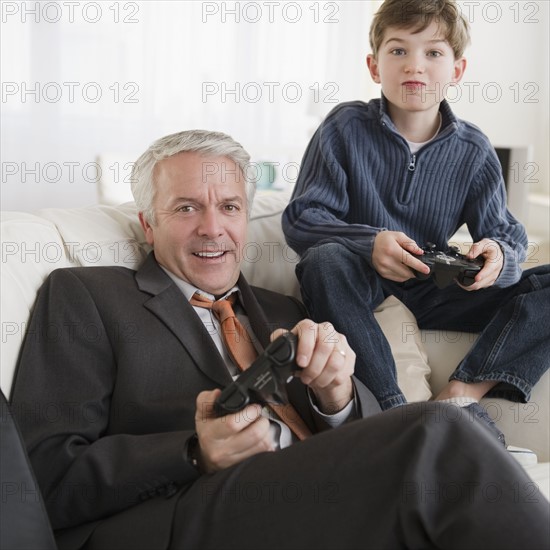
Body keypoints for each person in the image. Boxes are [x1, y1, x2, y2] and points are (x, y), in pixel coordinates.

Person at [9, 129, 549, 550]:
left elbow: (359, 442)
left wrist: (336, 401)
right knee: (443, 430)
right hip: (176, 517)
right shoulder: (86, 295)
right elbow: (44, 477)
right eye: (186, 207)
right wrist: (193, 453)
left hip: (318, 505)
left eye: (229, 207)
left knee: (451, 463)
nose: (212, 228)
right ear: (148, 225)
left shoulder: (284, 310)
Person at [282, 0, 550, 417]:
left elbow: (507, 234)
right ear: (374, 66)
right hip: (355, 280)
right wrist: (369, 244)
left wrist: (498, 254)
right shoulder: (343, 128)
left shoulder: (474, 151)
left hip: (432, 286)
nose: (414, 66)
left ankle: (463, 391)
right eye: (398, 50)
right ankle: (394, 414)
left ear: (457, 70)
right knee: (324, 261)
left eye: (433, 52)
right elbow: (303, 218)